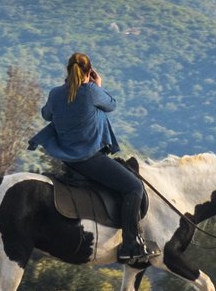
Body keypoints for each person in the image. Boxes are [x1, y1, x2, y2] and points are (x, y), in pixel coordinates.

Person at [30, 52, 151, 264]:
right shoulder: (91, 92)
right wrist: (98, 85)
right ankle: (130, 244)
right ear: (89, 72)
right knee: (134, 187)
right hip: (90, 159)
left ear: (68, 71)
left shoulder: (55, 94)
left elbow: (46, 114)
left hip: (68, 160)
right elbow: (111, 104)